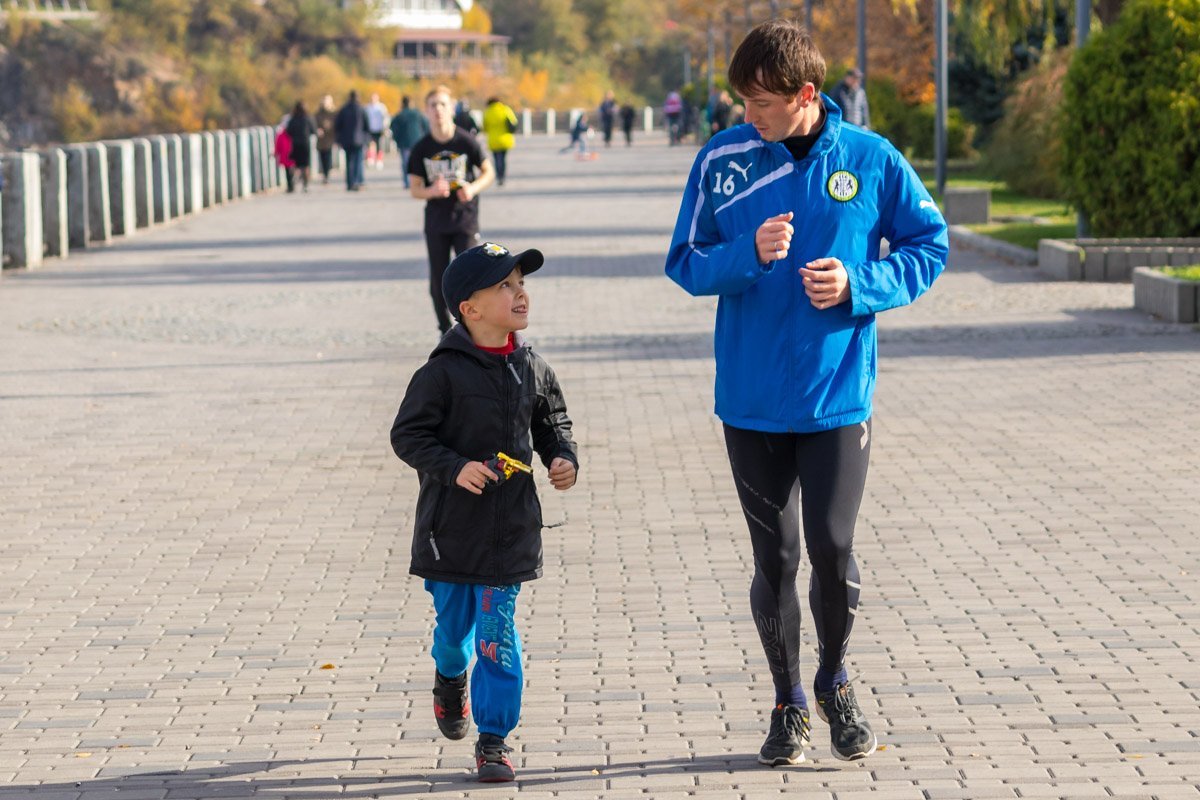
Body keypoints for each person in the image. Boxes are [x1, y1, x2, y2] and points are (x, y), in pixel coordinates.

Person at [664, 20, 948, 767]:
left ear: (807, 94)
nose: (748, 115)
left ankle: (834, 682)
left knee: (833, 545)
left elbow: (930, 245)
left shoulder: (870, 158)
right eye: (743, 101)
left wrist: (861, 283)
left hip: (836, 395)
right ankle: (788, 701)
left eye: (762, 103)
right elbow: (685, 260)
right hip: (752, 399)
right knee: (777, 558)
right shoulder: (722, 160)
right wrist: (746, 254)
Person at [390, 241, 579, 784]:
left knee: (497, 635)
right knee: (455, 632)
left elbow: (553, 423)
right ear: (468, 309)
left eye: (521, 283)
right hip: (450, 532)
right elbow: (408, 435)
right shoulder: (441, 373)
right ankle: (449, 676)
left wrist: (563, 457)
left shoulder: (532, 367)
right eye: (504, 286)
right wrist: (454, 468)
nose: (520, 293)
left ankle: (493, 739)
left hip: (509, 531)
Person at [408, 86, 496, 335]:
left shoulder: (466, 141)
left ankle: (472, 329)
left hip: (465, 219)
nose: (438, 110)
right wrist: (432, 191)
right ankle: (445, 331)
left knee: (471, 275)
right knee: (438, 279)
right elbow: (415, 189)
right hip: (437, 221)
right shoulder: (421, 148)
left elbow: (489, 172)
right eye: (433, 105)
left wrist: (472, 188)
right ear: (426, 111)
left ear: (452, 109)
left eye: (443, 104)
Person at [390, 95, 430, 189]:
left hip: (404, 142)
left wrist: (397, 139)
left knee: (406, 163)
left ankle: (407, 182)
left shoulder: (399, 115)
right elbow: (426, 125)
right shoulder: (417, 114)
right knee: (418, 162)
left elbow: (393, 128)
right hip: (418, 141)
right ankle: (419, 181)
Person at [334, 90, 369, 191]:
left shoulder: (344, 109)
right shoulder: (361, 109)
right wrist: (366, 138)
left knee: (349, 162)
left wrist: (339, 139)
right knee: (358, 161)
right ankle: (356, 182)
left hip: (347, 140)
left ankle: (350, 183)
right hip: (359, 140)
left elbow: (338, 125)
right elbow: (366, 125)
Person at [481, 96, 518, 186]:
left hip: (493, 140)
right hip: (505, 139)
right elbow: (514, 122)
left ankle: (498, 176)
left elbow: (484, 127)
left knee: (496, 159)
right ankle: (502, 176)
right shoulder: (505, 109)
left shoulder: (487, 112)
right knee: (503, 158)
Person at [284, 101, 316, 193]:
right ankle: (305, 185)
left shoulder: (293, 119)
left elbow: (288, 132)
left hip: (295, 144)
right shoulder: (308, 118)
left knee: (294, 164)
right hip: (305, 144)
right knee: (305, 165)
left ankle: (292, 181)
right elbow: (313, 130)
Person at [314, 94, 337, 185]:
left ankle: (327, 175)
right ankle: (324, 174)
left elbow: (337, 125)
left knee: (328, 156)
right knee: (322, 157)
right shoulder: (318, 114)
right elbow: (314, 124)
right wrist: (317, 130)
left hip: (330, 138)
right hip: (321, 139)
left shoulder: (334, 113)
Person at [365, 92, 390, 170]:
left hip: (379, 129)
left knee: (379, 145)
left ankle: (379, 160)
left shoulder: (381, 107)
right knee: (371, 144)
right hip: (370, 129)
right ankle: (371, 158)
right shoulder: (368, 108)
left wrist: (385, 128)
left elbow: (386, 118)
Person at [274, 116, 295, 193]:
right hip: (288, 156)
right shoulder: (284, 134)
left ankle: (290, 185)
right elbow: (278, 146)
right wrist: (276, 153)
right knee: (289, 172)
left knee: (289, 172)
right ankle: (290, 185)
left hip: (289, 156)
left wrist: (276, 153)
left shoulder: (282, 134)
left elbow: (277, 146)